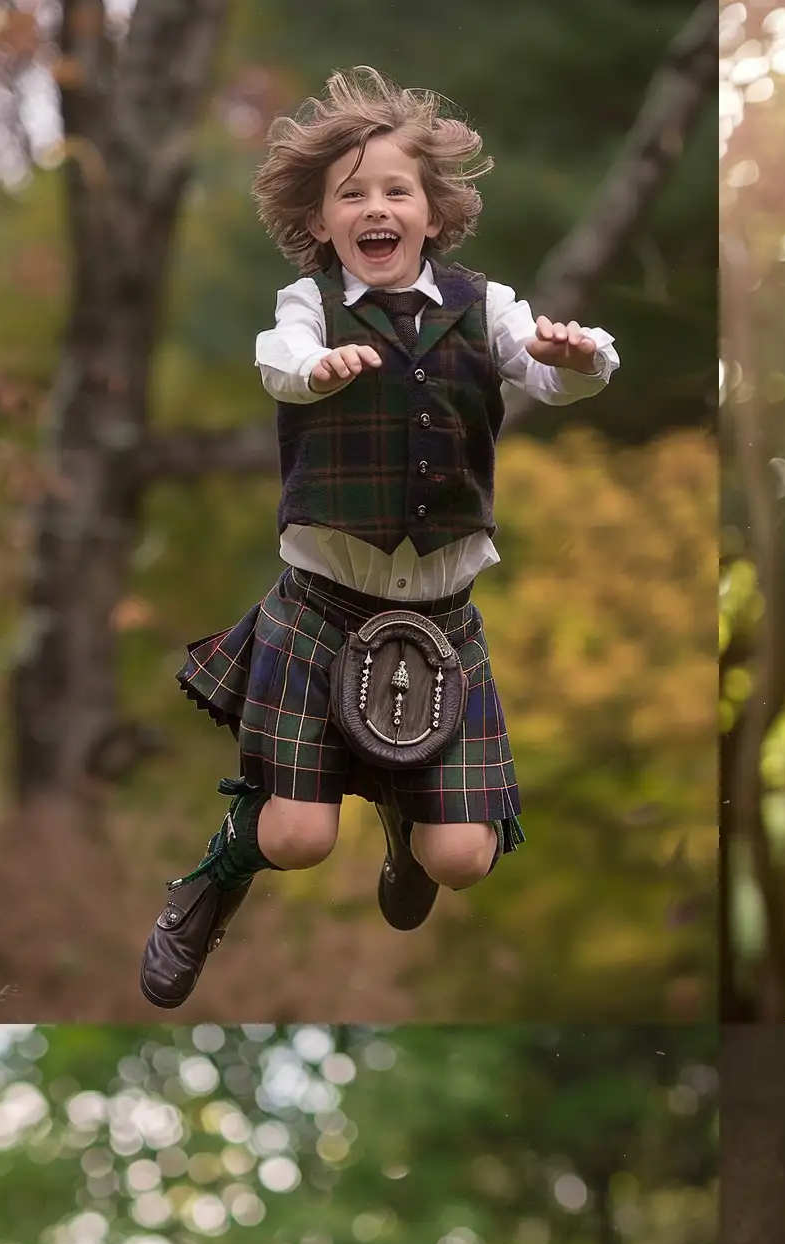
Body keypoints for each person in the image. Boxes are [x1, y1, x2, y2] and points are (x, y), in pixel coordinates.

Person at [142, 67, 617, 1007]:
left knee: (463, 860)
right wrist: (318, 371)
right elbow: (279, 366)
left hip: (443, 620)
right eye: (351, 194)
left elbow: (554, 373)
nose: (375, 207)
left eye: (396, 190)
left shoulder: (488, 306)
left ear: (433, 212)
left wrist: (581, 356)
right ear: (321, 223)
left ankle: (409, 820)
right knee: (296, 839)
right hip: (321, 607)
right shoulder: (306, 310)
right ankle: (211, 884)